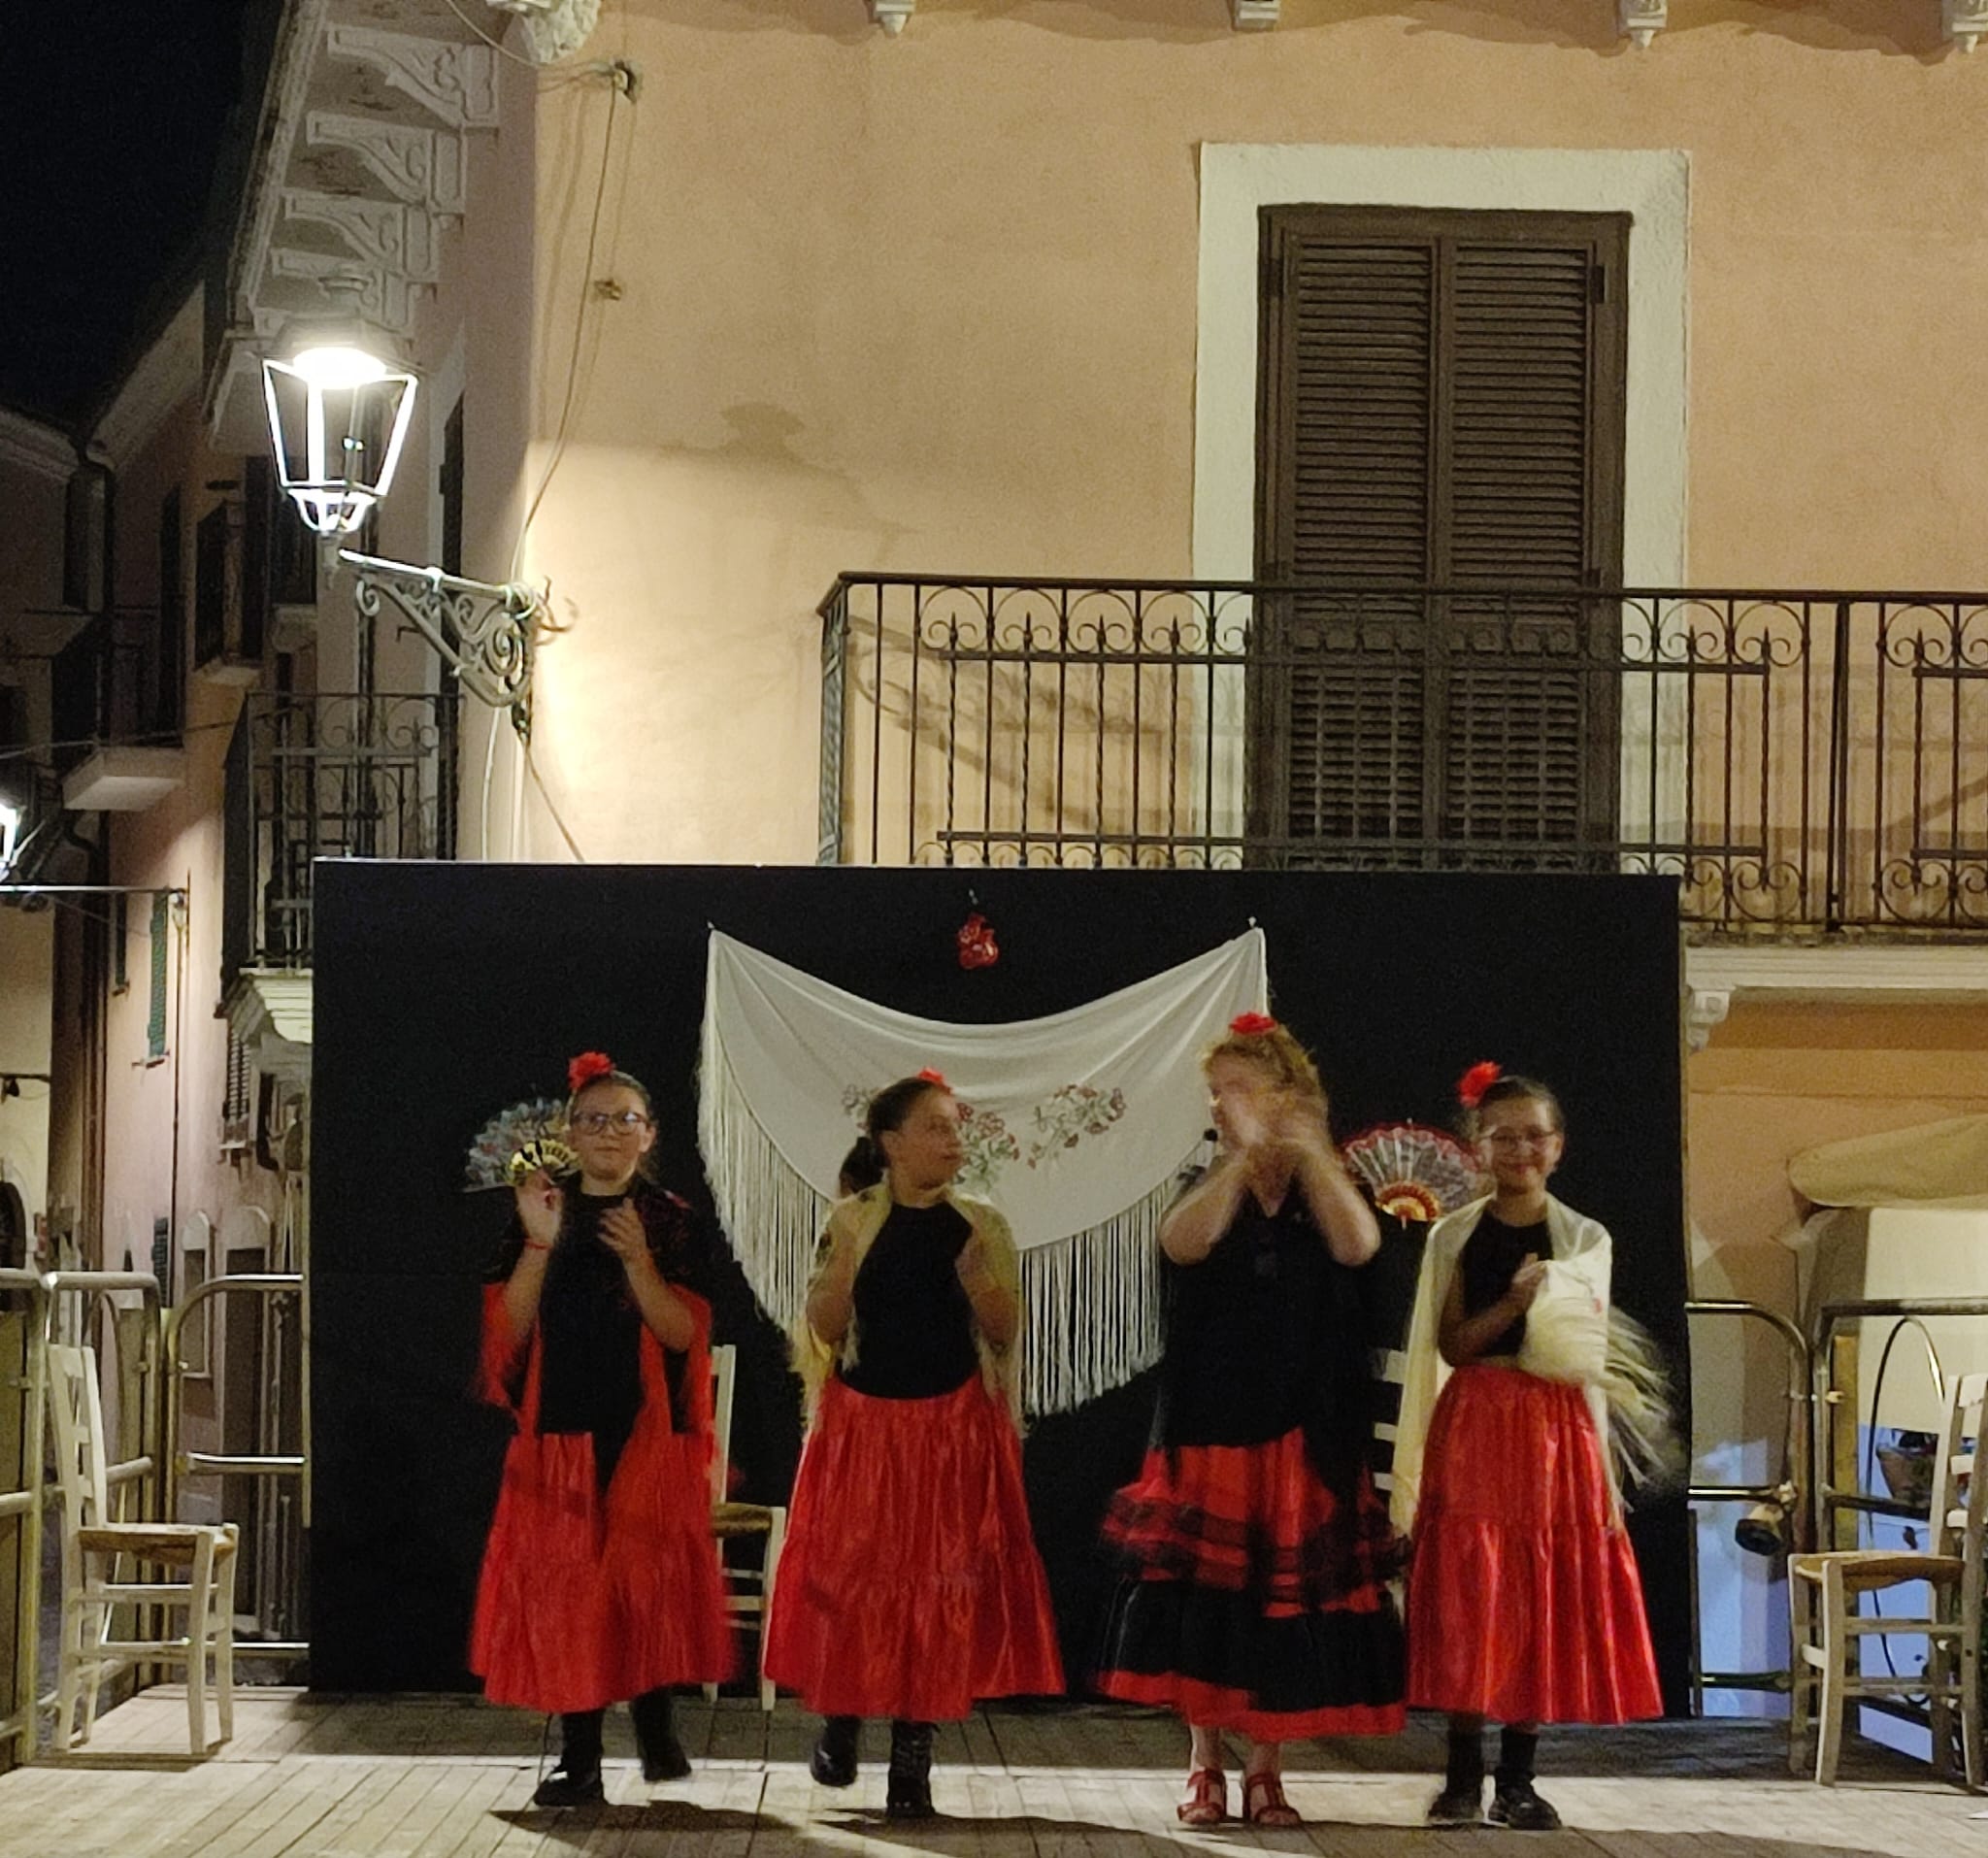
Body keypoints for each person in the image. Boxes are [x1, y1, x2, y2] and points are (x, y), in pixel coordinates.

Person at [1095, 1012, 1406, 1828]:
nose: (1223, 1102)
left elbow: (1358, 1246)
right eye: (1216, 1091)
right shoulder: (1205, 1180)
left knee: (1286, 1600)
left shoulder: (1330, 1183)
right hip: (1214, 1419)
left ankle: (1267, 1766)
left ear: (1287, 1092)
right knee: (1209, 1595)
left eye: (1239, 1087)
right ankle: (1203, 1764)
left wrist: (1306, 1153)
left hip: (1308, 1421)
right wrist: (1239, 1163)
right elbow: (1181, 1245)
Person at [764, 1071, 1065, 1819]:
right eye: (935, 1126)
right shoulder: (855, 1218)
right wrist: (838, 1272)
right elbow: (826, 1331)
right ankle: (841, 1713)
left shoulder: (980, 1224)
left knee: (937, 1589)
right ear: (892, 1144)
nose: (952, 1138)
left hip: (949, 1430)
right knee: (851, 1578)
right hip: (865, 1427)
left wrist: (978, 1282)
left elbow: (1004, 1332)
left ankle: (912, 1760)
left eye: (956, 1125)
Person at [1392, 1066, 1666, 1833]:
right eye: (1503, 1135)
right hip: (1481, 1416)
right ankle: (1458, 1777)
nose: (1520, 1149)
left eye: (1534, 1135)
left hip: (1553, 1429)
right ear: (1479, 1148)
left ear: (1559, 1146)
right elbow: (1452, 1343)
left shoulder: (1584, 1237)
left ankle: (1519, 1778)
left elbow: (1582, 1353)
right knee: (1475, 1591)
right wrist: (1513, 1301)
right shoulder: (1456, 1233)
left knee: (1537, 1592)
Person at [471, 1051, 734, 1807]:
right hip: (560, 1427)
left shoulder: (673, 1221)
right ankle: (580, 1758)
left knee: (641, 1584)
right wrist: (540, 1242)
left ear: (650, 1135)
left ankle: (653, 1720)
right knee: (568, 1591)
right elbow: (508, 1334)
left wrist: (642, 1266)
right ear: (568, 1132)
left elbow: (686, 1334)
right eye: (594, 1119)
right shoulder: (540, 1209)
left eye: (626, 1120)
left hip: (647, 1430)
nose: (610, 1132)